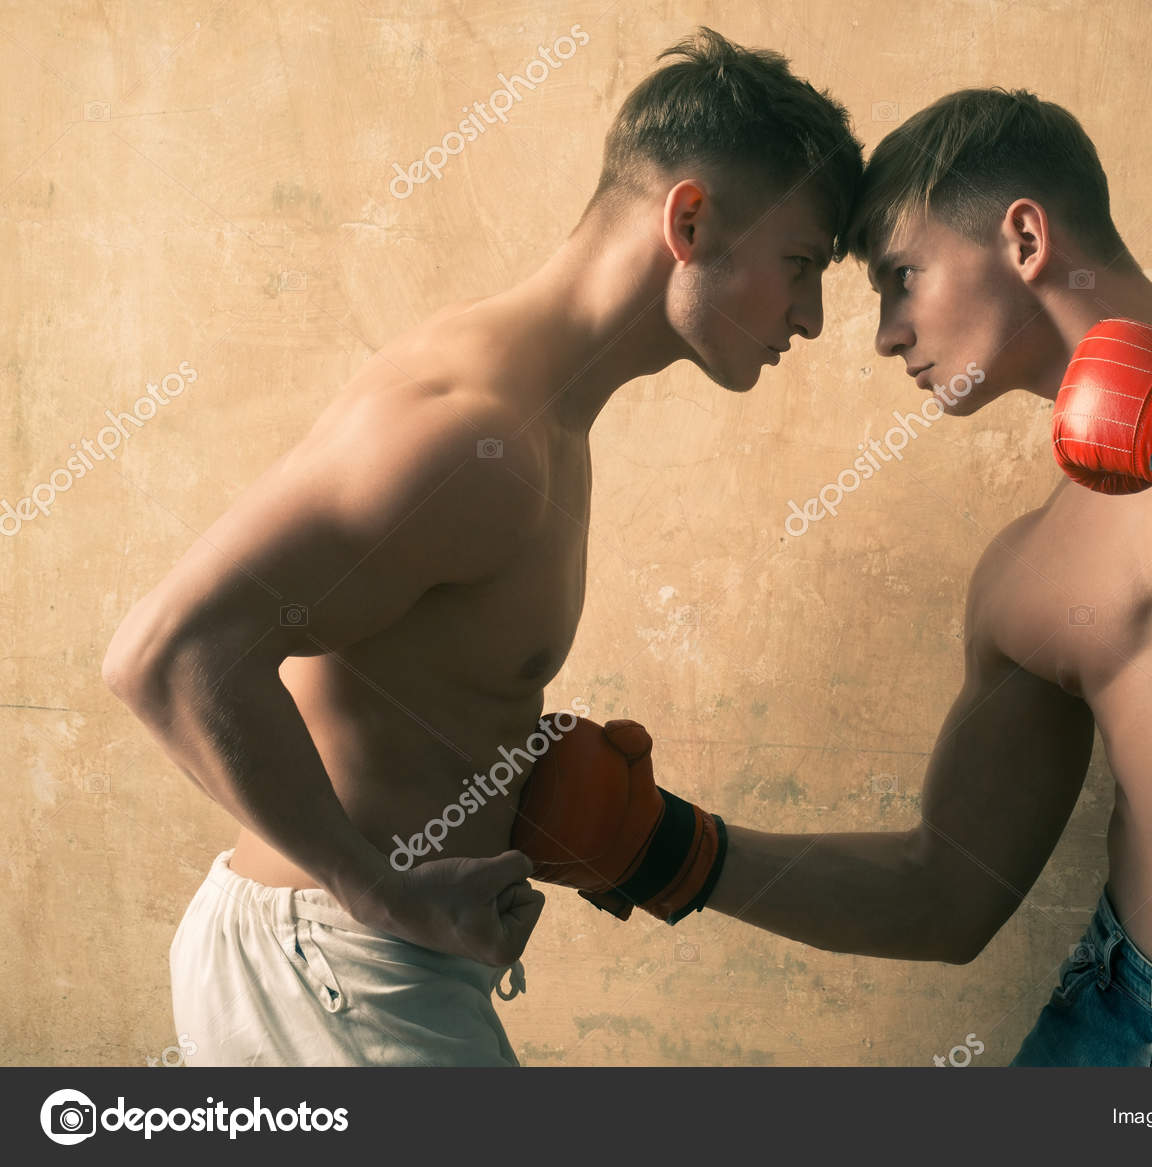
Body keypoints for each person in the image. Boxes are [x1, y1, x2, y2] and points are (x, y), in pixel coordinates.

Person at [533, 88, 1152, 1066]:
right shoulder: (1024, 574)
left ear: (1023, 240)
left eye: (899, 278)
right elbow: (942, 895)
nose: (885, 334)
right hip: (1110, 1014)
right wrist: (662, 846)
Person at [100, 27, 862, 1066]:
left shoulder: (546, 420)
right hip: (329, 968)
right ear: (689, 219)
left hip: (363, 962)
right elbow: (166, 655)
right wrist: (377, 888)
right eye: (802, 266)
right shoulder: (474, 432)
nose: (812, 318)